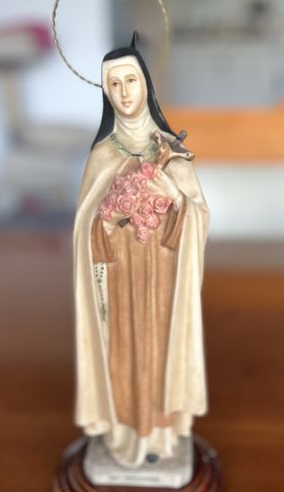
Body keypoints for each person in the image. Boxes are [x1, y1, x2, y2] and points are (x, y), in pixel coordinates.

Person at [73, 34, 209, 468]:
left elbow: (199, 216)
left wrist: (174, 198)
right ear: (105, 92)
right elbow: (84, 232)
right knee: (124, 356)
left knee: (161, 354)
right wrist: (108, 219)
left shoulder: (174, 152)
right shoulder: (102, 155)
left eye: (130, 80)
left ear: (146, 84)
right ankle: (125, 435)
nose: (124, 92)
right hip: (119, 282)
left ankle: (161, 436)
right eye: (113, 84)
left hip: (165, 280)